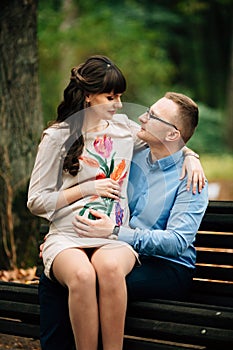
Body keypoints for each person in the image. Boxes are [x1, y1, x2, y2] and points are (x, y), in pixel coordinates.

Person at [28, 55, 205, 350]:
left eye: (121, 96)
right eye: (111, 97)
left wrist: (191, 156)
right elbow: (36, 200)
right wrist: (86, 189)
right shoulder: (61, 137)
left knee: (89, 277)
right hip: (75, 237)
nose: (123, 106)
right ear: (88, 96)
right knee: (79, 276)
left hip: (128, 247)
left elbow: (171, 139)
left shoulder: (124, 132)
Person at [73, 92, 209, 303]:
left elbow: (177, 242)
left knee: (97, 284)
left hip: (167, 267)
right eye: (148, 111)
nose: (142, 119)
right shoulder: (132, 154)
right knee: (69, 278)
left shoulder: (190, 179)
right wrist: (65, 238)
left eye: (152, 116)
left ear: (172, 135)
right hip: (121, 253)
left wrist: (117, 232)